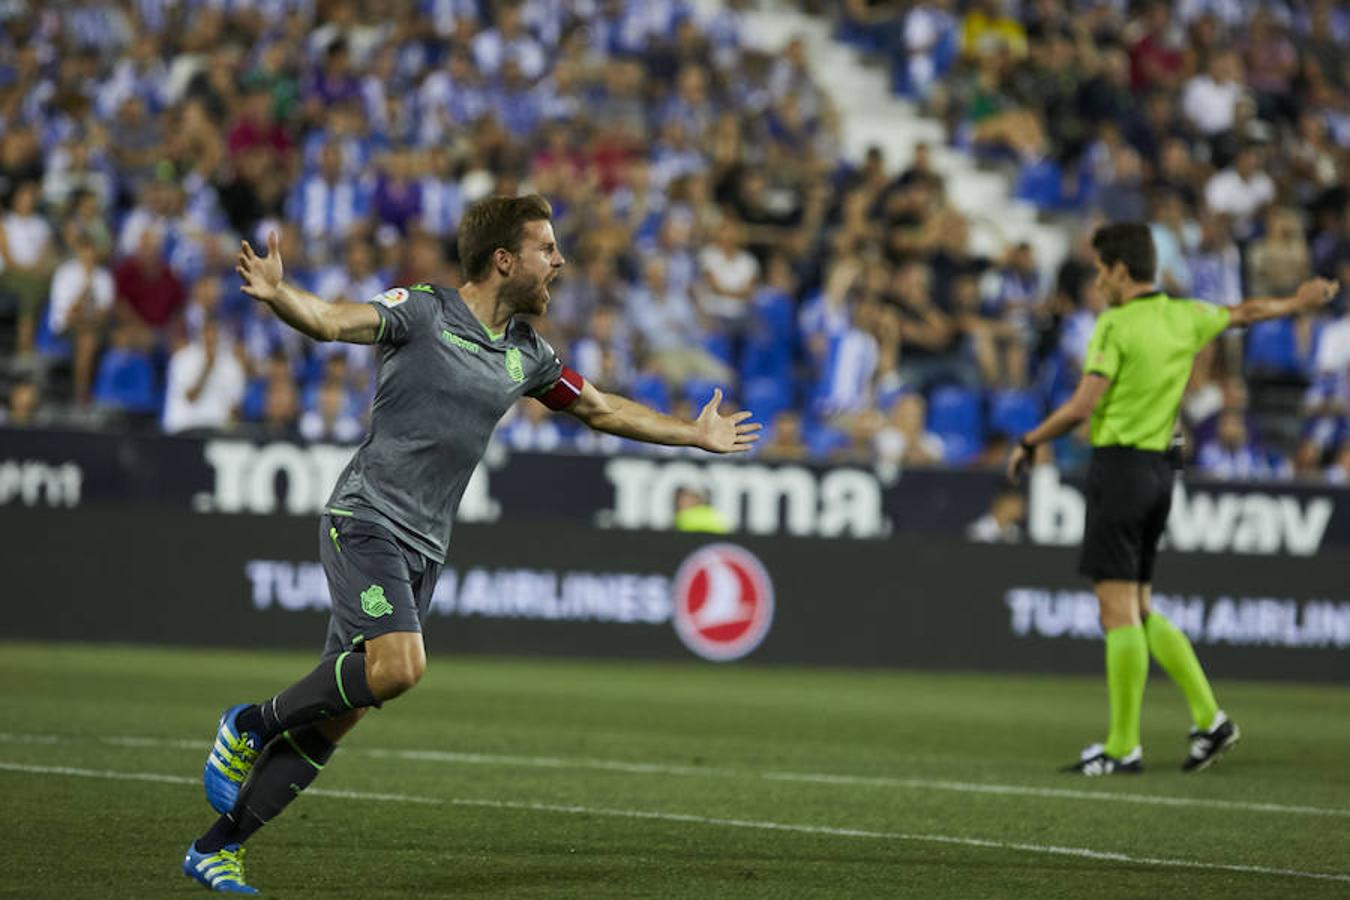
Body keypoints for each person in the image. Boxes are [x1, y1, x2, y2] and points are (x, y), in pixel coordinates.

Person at [183, 194, 760, 893]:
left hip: (425, 546)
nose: (560, 262)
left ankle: (219, 847)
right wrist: (280, 297)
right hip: (366, 518)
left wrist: (692, 435)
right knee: (399, 668)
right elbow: (336, 321)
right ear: (504, 259)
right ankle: (247, 724)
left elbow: (601, 408)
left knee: (342, 712)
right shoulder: (423, 310)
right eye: (548, 249)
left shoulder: (528, 355)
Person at [1006, 222, 1337, 776]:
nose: (1098, 281)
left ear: (1118, 270)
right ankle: (1210, 720)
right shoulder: (1184, 316)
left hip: (1119, 467)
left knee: (1116, 612)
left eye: (1100, 269)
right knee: (1139, 606)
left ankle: (1122, 747)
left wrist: (1029, 440)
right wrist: (1298, 302)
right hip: (1162, 471)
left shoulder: (1115, 325)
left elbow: (1084, 406)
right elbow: (1246, 313)